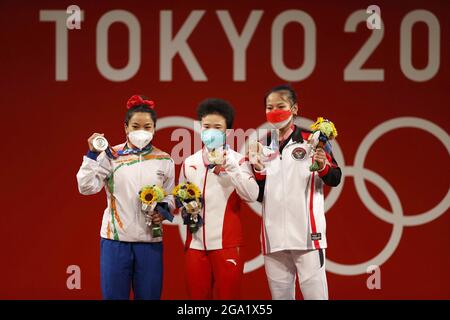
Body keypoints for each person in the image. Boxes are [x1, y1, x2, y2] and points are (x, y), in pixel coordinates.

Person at [76, 94, 175, 300]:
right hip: (115, 242)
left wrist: (162, 213)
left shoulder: (164, 159)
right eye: (136, 126)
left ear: (154, 128)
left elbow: (170, 197)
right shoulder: (112, 156)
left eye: (147, 127)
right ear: (125, 127)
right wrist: (92, 155)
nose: (142, 131)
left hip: (150, 242)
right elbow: (85, 187)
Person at [251, 85, 342, 300]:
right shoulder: (264, 145)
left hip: (307, 237)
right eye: (269, 107)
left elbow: (335, 177)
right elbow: (260, 194)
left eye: (280, 106)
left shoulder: (314, 140)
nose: (274, 111)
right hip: (274, 239)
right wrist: (257, 169)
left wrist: (323, 167)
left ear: (294, 109)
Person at [178, 98, 259, 299]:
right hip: (195, 246)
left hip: (227, 246)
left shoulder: (239, 160)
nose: (211, 131)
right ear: (200, 127)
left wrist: (231, 167)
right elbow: (180, 198)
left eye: (217, 127)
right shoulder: (189, 162)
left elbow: (252, 195)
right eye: (206, 126)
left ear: (227, 132)